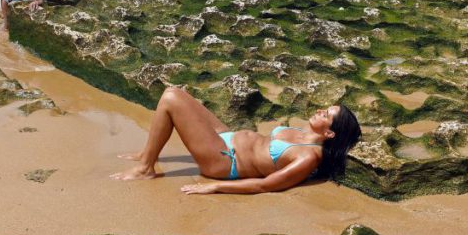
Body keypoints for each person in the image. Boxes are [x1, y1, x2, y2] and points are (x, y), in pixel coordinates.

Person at [110, 87, 362, 194]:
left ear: (330, 133)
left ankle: (145, 168)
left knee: (171, 98)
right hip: (227, 138)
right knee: (178, 91)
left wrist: (215, 187)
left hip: (224, 162)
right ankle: (147, 155)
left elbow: (267, 185)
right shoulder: (301, 133)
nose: (320, 110)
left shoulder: (307, 157)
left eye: (327, 115)